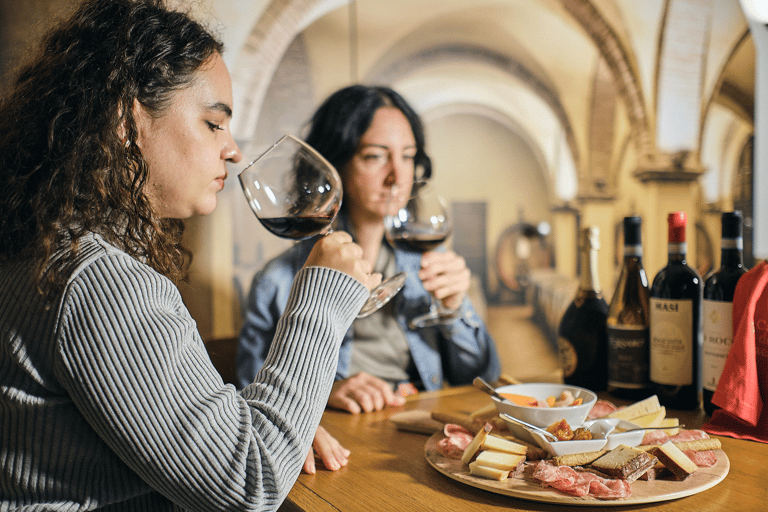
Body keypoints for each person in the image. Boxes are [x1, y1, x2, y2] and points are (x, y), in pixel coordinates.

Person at [0, 1, 380, 510]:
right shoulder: (99, 281)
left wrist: (267, 426)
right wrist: (323, 298)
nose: (234, 150)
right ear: (127, 120)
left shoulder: (55, 245)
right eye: (213, 123)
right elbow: (249, 484)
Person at [237, 85, 502, 471]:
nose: (397, 176)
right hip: (340, 444)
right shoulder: (277, 280)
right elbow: (249, 396)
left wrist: (456, 309)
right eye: (376, 156)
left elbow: (483, 379)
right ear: (335, 163)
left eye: (408, 157)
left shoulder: (431, 263)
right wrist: (327, 389)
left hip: (420, 437)